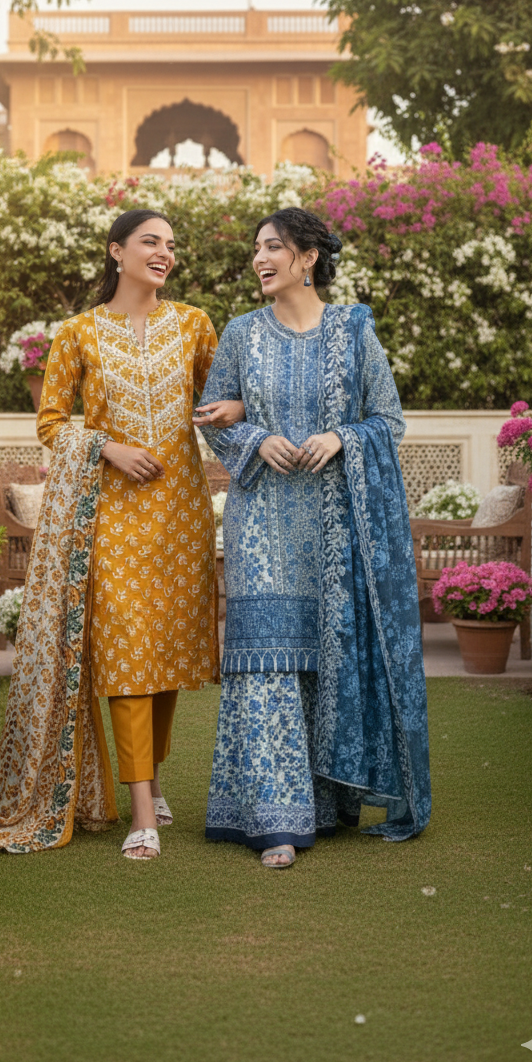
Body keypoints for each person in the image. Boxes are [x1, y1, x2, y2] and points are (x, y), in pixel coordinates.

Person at [0, 208, 242, 862]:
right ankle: (142, 809)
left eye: (171, 245)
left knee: (169, 657)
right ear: (116, 250)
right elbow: (51, 422)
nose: (164, 253)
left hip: (179, 515)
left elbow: (219, 400)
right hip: (110, 516)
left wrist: (234, 408)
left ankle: (149, 775)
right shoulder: (79, 334)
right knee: (126, 652)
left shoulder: (195, 326)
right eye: (151, 241)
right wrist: (109, 450)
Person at [197, 207, 431, 869]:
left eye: (272, 247)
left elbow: (388, 418)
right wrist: (256, 437)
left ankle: (324, 805)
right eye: (255, 249)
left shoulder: (356, 331)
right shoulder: (240, 334)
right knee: (268, 657)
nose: (259, 259)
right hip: (262, 519)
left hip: (337, 523)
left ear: (307, 258)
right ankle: (275, 819)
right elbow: (211, 417)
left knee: (328, 658)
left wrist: (341, 437)